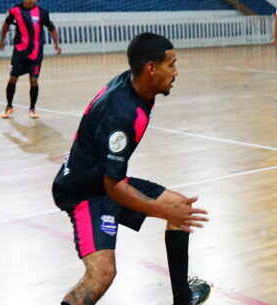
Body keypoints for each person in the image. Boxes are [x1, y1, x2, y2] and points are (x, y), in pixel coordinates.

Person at [52, 33, 211, 305]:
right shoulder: (123, 114)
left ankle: (183, 299)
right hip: (84, 191)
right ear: (151, 69)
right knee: (102, 274)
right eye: (171, 65)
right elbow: (113, 187)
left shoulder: (135, 84)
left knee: (179, 208)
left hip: (103, 178)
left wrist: (169, 210)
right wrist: (161, 209)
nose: (176, 72)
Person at [0, 0, 61, 119]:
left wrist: (56, 44)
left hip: (36, 53)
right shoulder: (15, 10)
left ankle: (32, 109)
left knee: (33, 81)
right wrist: (2, 39)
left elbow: (51, 28)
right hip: (19, 53)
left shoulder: (42, 13)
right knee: (12, 79)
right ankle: (9, 107)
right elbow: (6, 24)